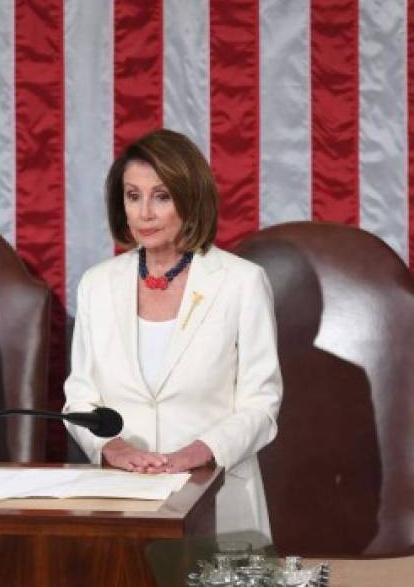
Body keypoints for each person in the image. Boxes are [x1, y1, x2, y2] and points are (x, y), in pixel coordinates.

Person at [63, 129, 282, 536]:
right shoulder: (97, 283)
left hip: (215, 496)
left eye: (161, 196)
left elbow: (262, 403)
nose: (144, 212)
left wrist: (202, 452)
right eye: (133, 196)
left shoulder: (241, 282)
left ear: (190, 198)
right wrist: (112, 447)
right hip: (120, 497)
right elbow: (80, 396)